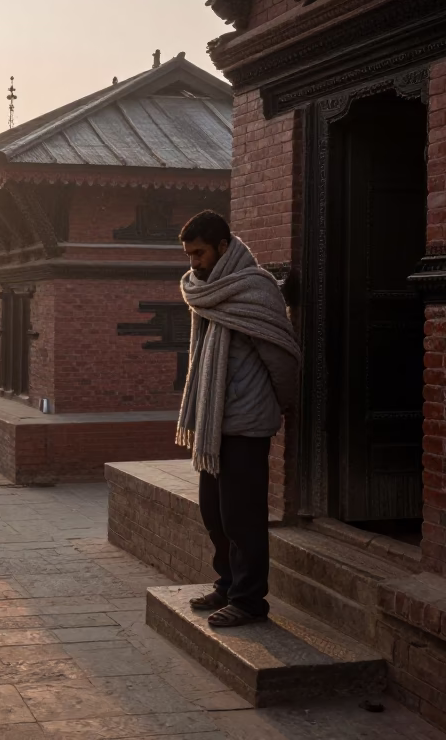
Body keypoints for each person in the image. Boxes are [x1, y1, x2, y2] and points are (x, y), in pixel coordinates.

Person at [176, 210, 300, 628]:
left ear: (223, 247)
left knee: (242, 515)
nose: (194, 262)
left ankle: (249, 601)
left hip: (247, 421)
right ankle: (227, 584)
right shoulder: (204, 289)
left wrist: (281, 402)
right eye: (189, 254)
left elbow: (281, 356)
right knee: (214, 512)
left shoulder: (255, 289)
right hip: (214, 422)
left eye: (199, 253)